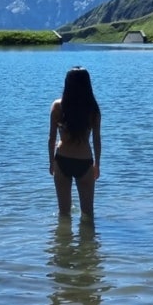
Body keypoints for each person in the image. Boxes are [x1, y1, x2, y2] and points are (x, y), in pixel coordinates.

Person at [48, 67, 101, 219]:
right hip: (84, 161)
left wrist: (51, 162)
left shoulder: (58, 106)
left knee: (63, 213)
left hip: (62, 160)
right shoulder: (93, 109)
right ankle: (88, 241)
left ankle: (63, 242)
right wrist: (97, 164)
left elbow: (51, 138)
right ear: (87, 84)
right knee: (88, 214)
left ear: (67, 83)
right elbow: (97, 139)